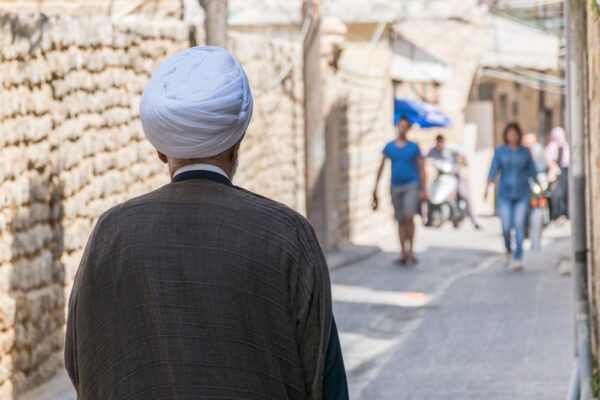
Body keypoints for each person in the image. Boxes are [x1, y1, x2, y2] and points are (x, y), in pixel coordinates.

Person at [64, 47, 348, 400]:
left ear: (160, 151)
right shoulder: (287, 235)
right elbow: (325, 378)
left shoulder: (110, 233)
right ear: (238, 141)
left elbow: (79, 361)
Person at [373, 116, 428, 265]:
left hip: (412, 185)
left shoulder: (414, 147)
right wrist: (375, 187)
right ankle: (403, 251)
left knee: (409, 216)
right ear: (397, 127)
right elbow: (381, 166)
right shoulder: (390, 146)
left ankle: (411, 249)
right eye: (400, 126)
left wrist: (424, 189)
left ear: (408, 129)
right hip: (396, 185)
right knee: (400, 219)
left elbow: (422, 169)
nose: (402, 129)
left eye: (405, 126)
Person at [484, 122, 537, 270]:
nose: (512, 137)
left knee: (519, 224)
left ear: (518, 135)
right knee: (506, 225)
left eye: (514, 134)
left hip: (522, 193)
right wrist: (487, 187)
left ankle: (518, 256)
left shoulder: (525, 152)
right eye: (509, 134)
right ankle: (508, 248)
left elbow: (533, 171)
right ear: (506, 136)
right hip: (505, 194)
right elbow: (493, 169)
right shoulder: (501, 151)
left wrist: (538, 188)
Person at [425, 134, 481, 229]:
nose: (439, 146)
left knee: (464, 194)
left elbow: (463, 154)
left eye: (441, 143)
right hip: (442, 175)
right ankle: (429, 218)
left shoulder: (451, 147)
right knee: (430, 192)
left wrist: (459, 167)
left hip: (454, 175)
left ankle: (474, 220)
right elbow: (427, 158)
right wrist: (429, 161)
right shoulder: (433, 150)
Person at [522, 133, 548, 251]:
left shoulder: (538, 151)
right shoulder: (521, 153)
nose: (529, 145)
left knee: (539, 207)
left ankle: (536, 240)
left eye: (530, 142)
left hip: (537, 183)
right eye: (526, 143)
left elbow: (543, 167)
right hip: (524, 186)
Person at [545, 126, 570, 224]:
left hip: (564, 173)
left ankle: (564, 214)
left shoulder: (565, 146)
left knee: (564, 194)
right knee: (556, 194)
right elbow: (548, 160)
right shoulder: (552, 147)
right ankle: (557, 214)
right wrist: (555, 168)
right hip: (555, 174)